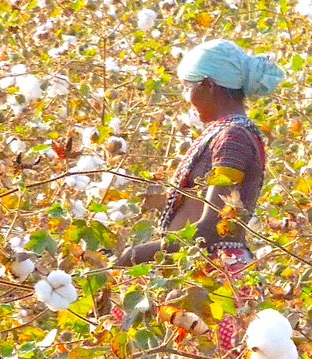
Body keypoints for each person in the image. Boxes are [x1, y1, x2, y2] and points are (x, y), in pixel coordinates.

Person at [116, 39, 283, 267]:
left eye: (188, 87)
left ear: (208, 85)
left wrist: (134, 256)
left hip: (216, 271)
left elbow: (215, 227)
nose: (186, 97)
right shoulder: (227, 133)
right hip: (202, 267)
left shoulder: (233, 138)